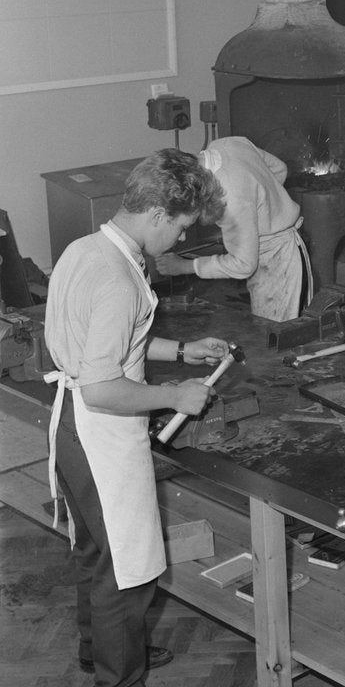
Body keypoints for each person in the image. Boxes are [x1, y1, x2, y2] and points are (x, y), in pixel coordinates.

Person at [45, 149, 231, 685]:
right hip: (98, 434)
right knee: (128, 575)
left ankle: (98, 650)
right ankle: (119, 675)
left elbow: (107, 344)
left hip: (71, 424)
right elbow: (104, 388)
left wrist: (180, 350)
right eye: (180, 228)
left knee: (96, 554)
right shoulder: (118, 280)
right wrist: (175, 396)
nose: (179, 240)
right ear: (157, 214)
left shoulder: (86, 249)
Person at [154, 136, 310, 322]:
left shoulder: (228, 198)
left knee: (273, 334)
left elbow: (243, 265)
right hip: (280, 243)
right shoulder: (227, 144)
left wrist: (184, 266)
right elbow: (279, 169)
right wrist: (257, 215)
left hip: (278, 261)